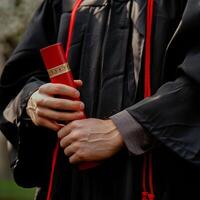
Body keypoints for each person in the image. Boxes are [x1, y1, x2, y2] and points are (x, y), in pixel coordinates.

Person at [0, 0, 200, 199]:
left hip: (160, 183)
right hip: (70, 184)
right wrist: (32, 101)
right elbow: (17, 80)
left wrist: (126, 128)